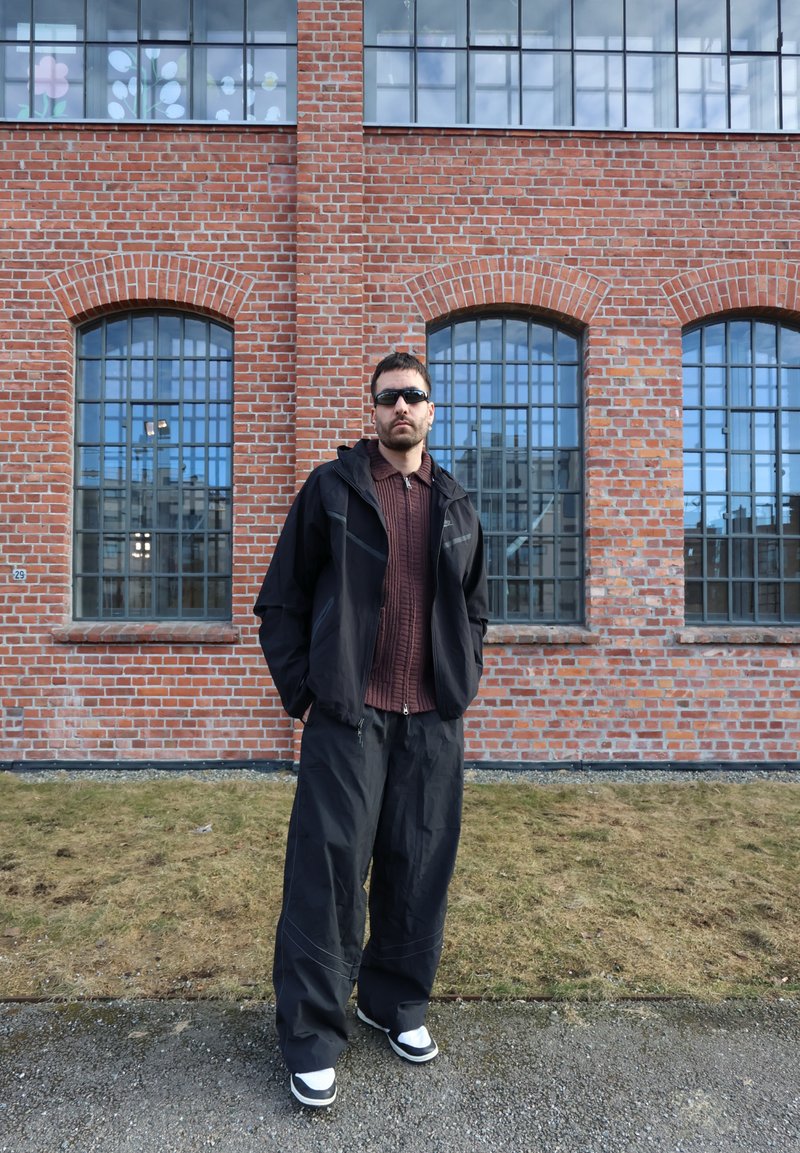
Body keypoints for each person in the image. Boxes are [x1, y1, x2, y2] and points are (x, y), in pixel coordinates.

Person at [254, 351, 488, 1108]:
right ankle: (313, 1036)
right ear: (373, 410)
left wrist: (462, 681)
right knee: (327, 875)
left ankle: (394, 1002)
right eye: (389, 397)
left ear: (432, 410)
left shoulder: (454, 501)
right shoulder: (334, 489)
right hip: (349, 718)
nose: (402, 408)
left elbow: (475, 606)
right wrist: (309, 692)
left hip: (432, 721)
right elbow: (281, 600)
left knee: (419, 866)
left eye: (414, 396)